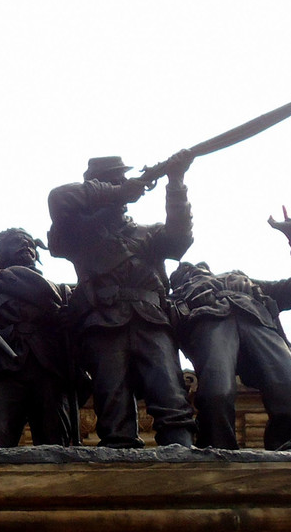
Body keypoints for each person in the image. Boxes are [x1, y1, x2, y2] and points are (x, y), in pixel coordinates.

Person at [47, 152, 197, 448]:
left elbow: (180, 237)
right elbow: (59, 198)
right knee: (112, 405)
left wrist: (176, 181)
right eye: (114, 181)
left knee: (170, 395)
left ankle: (183, 454)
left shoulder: (146, 233)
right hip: (102, 323)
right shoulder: (77, 235)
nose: (123, 185)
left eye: (122, 180)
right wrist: (117, 193)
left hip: (151, 320)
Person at [169, 208, 291, 450]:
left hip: (261, 328)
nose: (190, 267)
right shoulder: (173, 302)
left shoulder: (250, 286)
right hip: (209, 332)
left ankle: (286, 446)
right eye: (183, 272)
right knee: (215, 396)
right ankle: (218, 450)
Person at [0, 228, 83, 447]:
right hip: (2, 369)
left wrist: (68, 322)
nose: (26, 246)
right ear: (3, 253)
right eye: (17, 242)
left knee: (56, 441)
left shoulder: (60, 293)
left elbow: (81, 340)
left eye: (29, 243)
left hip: (48, 368)